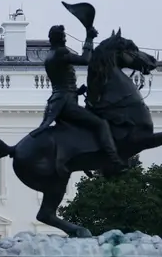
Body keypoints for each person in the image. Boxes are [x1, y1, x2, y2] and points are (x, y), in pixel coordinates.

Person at [29, 24, 127, 174]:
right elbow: (85, 59)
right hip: (66, 102)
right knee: (101, 124)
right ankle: (114, 160)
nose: (66, 38)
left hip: (59, 100)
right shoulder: (60, 52)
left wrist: (77, 91)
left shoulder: (50, 55)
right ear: (60, 39)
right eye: (64, 36)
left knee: (81, 129)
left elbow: (62, 82)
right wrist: (89, 38)